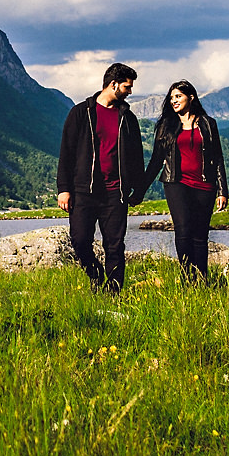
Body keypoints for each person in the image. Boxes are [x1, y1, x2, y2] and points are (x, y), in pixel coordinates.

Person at [55, 62, 143, 293]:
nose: (130, 91)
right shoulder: (80, 113)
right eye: (127, 86)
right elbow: (67, 152)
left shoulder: (128, 118)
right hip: (84, 191)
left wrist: (139, 189)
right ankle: (95, 276)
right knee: (80, 241)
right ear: (113, 85)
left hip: (116, 193)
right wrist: (64, 188)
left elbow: (136, 156)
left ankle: (113, 293)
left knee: (114, 246)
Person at [140, 80, 229, 280]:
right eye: (171, 98)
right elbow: (156, 161)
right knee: (183, 230)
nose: (174, 101)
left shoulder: (207, 123)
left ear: (191, 97)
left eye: (178, 96)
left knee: (200, 235)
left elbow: (217, 158)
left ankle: (202, 280)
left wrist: (223, 190)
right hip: (176, 184)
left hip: (205, 186)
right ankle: (188, 279)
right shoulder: (166, 125)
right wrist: (140, 190)